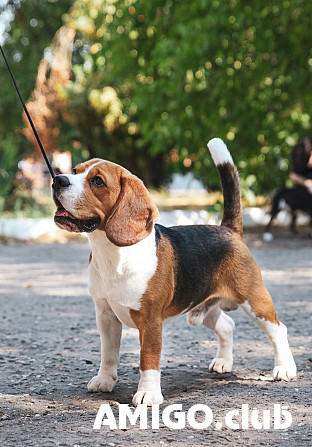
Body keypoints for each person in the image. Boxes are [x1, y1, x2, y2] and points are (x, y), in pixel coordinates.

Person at [263, 137, 312, 240]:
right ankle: (268, 229)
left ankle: (295, 229)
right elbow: (293, 175)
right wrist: (307, 183)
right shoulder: (301, 160)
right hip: (302, 193)